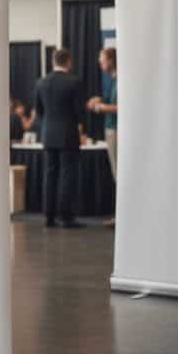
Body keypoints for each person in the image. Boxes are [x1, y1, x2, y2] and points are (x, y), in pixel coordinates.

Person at [34, 48, 85, 229]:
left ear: (52, 62)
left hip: (48, 134)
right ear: (68, 62)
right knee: (67, 176)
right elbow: (79, 112)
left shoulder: (41, 82)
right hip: (68, 133)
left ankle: (48, 216)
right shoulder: (74, 82)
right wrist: (82, 130)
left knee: (49, 175)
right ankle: (66, 217)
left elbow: (39, 112)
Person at [87, 47, 118, 228]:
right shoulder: (112, 79)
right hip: (111, 130)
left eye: (102, 59)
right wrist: (99, 100)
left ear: (111, 61)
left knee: (119, 175)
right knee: (116, 175)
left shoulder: (121, 79)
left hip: (116, 130)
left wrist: (100, 107)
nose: (100, 62)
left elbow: (121, 106)